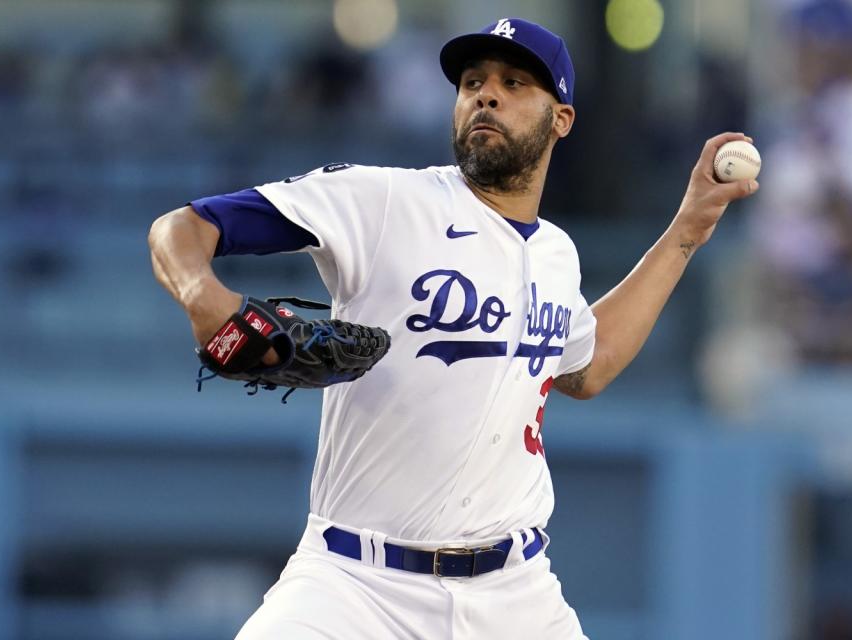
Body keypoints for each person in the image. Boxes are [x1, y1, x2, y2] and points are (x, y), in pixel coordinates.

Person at [148, 17, 759, 640]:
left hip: (515, 593)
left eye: (515, 82)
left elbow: (590, 363)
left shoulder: (556, 254)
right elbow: (181, 230)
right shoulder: (382, 201)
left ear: (562, 119)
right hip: (354, 585)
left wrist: (687, 230)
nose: (486, 95)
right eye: (472, 82)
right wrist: (209, 305)